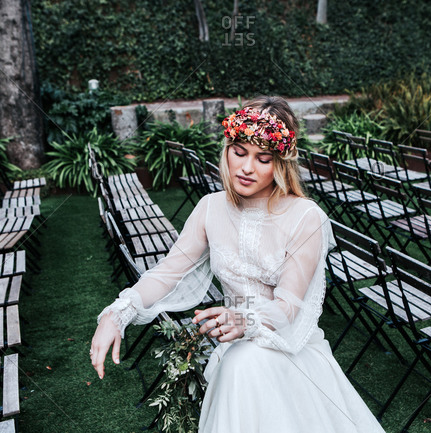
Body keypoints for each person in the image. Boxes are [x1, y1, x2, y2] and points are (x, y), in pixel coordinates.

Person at [90, 96, 385, 433]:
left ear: (282, 163)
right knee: (239, 364)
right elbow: (168, 272)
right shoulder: (209, 208)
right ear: (227, 150)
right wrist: (119, 313)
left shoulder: (307, 218)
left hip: (286, 349)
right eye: (239, 152)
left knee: (243, 364)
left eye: (263, 158)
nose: (246, 168)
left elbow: (288, 307)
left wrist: (246, 319)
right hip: (235, 351)